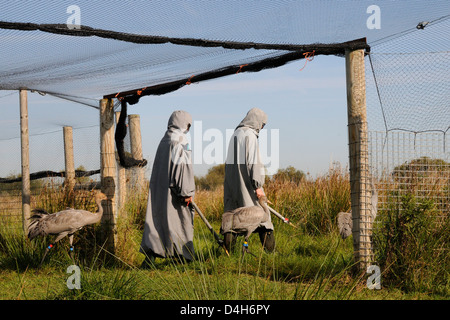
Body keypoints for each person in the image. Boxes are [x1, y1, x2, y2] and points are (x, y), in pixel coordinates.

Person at [140, 110, 196, 266]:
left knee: (159, 223)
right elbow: (182, 167)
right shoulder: (181, 140)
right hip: (175, 192)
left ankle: (150, 258)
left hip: (160, 189)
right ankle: (184, 258)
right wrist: (186, 192)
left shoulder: (165, 139)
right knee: (181, 222)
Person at [222, 107, 275, 252]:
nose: (262, 127)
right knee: (264, 218)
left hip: (233, 184)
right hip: (247, 184)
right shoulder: (250, 136)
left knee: (232, 219)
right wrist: (258, 186)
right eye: (262, 124)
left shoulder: (235, 134)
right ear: (256, 121)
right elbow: (254, 163)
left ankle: (229, 253)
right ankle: (270, 252)